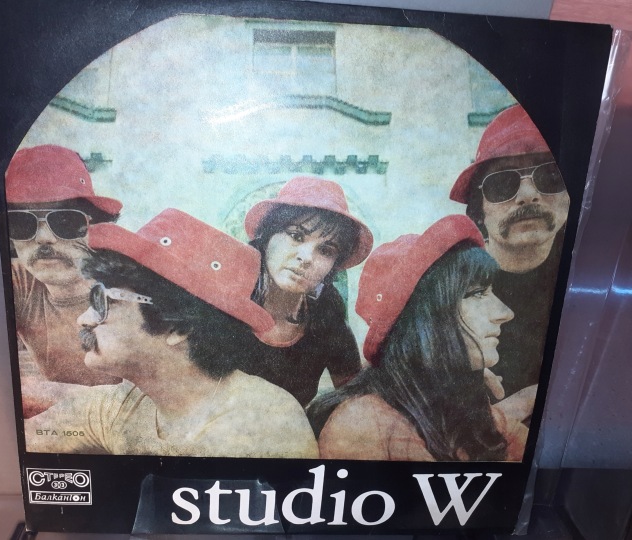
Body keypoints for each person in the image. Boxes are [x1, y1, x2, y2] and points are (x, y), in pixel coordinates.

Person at [25, 209, 318, 459]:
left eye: (104, 301)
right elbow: (25, 445)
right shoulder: (126, 403)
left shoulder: (263, 428)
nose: (84, 319)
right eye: (92, 299)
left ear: (179, 326)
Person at [308, 215, 532, 462]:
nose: (505, 313)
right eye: (477, 293)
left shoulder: (475, 416)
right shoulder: (365, 422)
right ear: (423, 319)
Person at [449, 104, 570, 397]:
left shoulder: (599, 274)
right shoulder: (450, 283)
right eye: (502, 184)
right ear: (479, 211)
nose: (528, 196)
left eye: (550, 176)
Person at [6, 144, 124, 416]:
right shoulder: (17, 281)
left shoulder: (131, 287)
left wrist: (42, 394)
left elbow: (146, 406)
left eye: (66, 222)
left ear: (94, 226)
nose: (44, 238)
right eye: (21, 223)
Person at [241, 176, 374, 406]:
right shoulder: (228, 297)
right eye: (296, 236)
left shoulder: (327, 308)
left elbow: (353, 395)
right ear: (268, 236)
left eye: (325, 250)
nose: (306, 257)